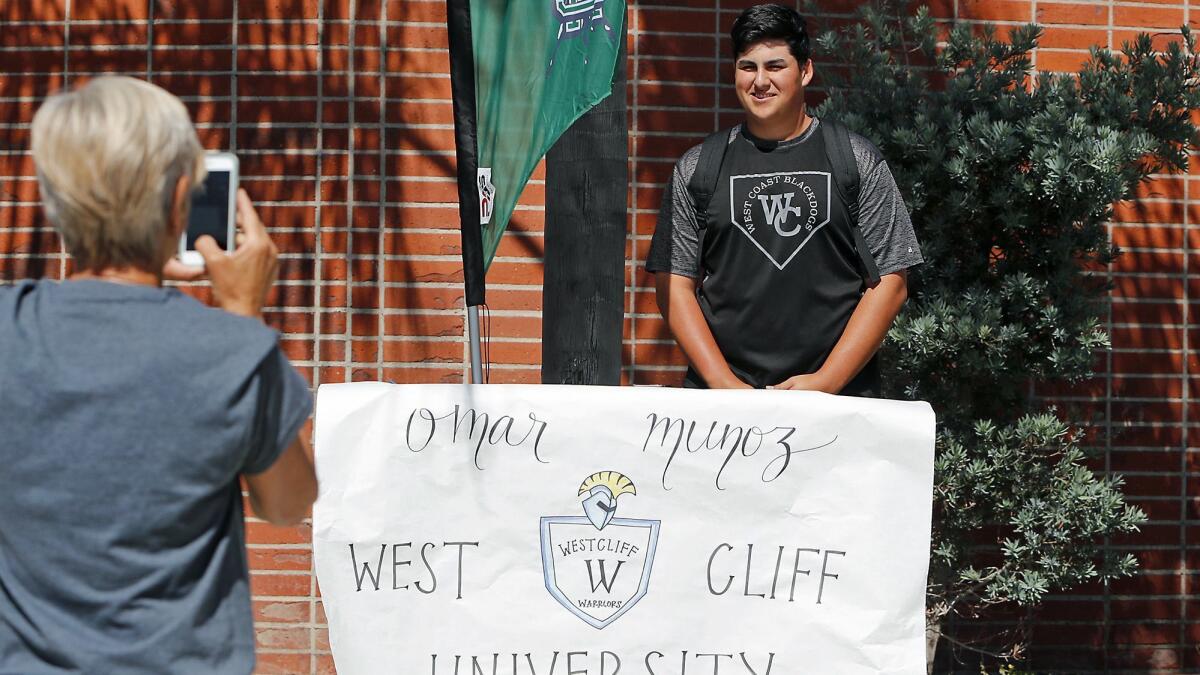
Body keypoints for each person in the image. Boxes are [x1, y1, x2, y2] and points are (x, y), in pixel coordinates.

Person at [0, 76, 318, 674]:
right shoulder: (228, 349)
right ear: (179, 200)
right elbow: (288, 503)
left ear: (55, 204)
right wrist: (246, 316)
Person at [647, 4, 922, 396]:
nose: (760, 81)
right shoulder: (698, 168)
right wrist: (724, 383)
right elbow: (673, 286)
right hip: (723, 410)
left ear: (805, 70)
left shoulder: (855, 160)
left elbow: (892, 281)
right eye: (748, 67)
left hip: (836, 403)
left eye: (775, 66)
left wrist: (825, 383)